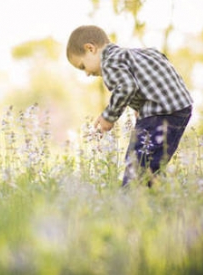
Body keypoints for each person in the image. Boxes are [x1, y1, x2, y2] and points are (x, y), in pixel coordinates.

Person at [67, 25, 193, 186]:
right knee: (152, 163)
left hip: (161, 111)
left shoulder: (109, 62)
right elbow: (150, 71)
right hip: (179, 106)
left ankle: (131, 200)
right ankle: (160, 198)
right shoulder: (131, 54)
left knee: (136, 165)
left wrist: (108, 117)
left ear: (90, 48)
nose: (86, 73)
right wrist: (140, 108)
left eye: (82, 66)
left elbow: (126, 87)